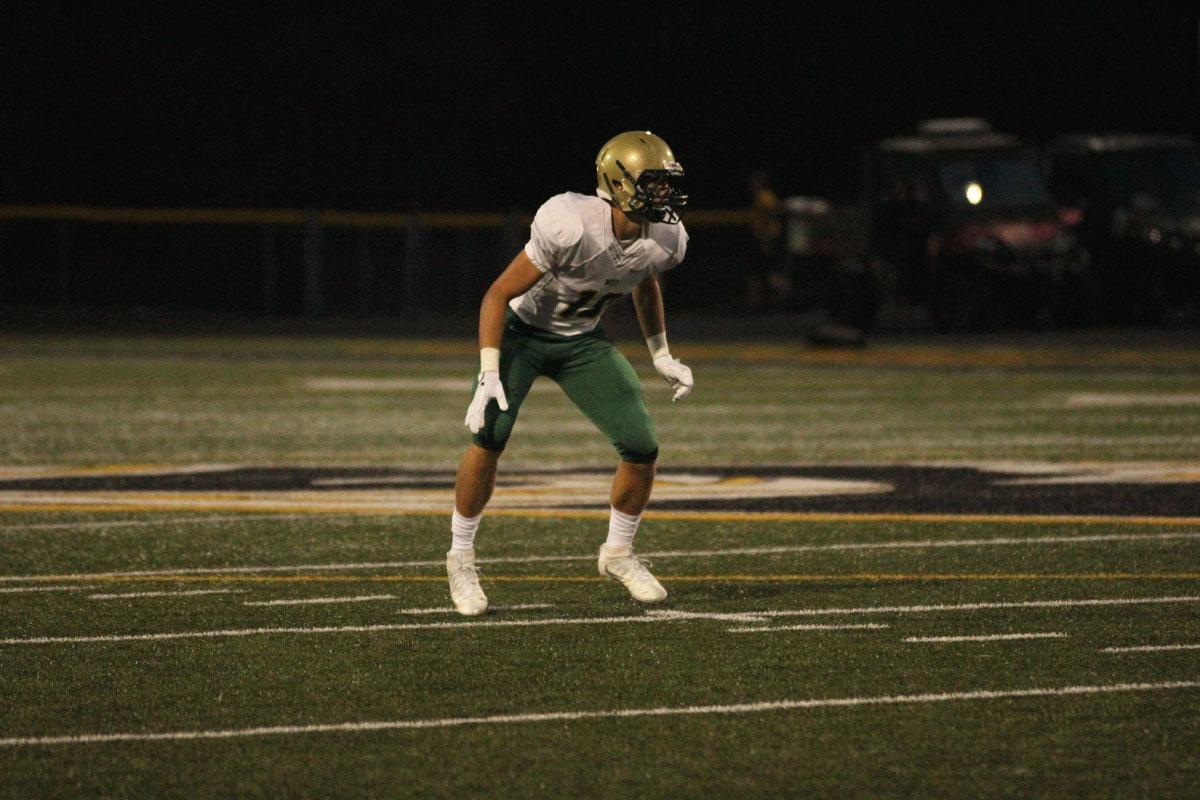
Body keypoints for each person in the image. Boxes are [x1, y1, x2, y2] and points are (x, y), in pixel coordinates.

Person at [446, 131, 694, 616]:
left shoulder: (666, 238)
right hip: (523, 332)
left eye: (667, 184)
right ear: (618, 184)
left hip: (581, 342)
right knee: (489, 436)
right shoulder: (571, 223)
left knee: (641, 444)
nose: (665, 195)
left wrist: (660, 353)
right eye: (654, 183)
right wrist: (489, 370)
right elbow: (496, 294)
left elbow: (645, 283)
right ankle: (460, 557)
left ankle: (618, 552)